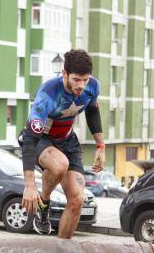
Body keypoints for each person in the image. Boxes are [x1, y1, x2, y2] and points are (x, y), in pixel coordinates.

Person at [20, 49, 105, 238]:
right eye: (76, 80)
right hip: (41, 138)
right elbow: (29, 140)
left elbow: (92, 111)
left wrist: (100, 145)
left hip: (67, 139)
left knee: (77, 199)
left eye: (85, 80)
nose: (81, 85)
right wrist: (29, 185)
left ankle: (63, 249)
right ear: (64, 74)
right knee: (60, 165)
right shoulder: (47, 94)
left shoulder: (92, 87)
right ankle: (44, 204)